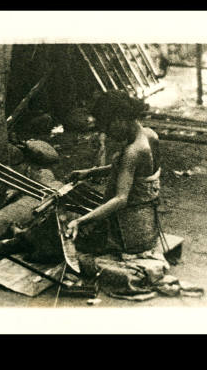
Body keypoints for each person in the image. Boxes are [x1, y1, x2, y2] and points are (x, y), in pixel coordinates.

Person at [65, 91, 162, 255]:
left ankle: (21, 238)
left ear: (119, 119)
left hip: (127, 236)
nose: (108, 134)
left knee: (62, 229)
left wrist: (80, 221)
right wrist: (89, 173)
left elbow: (120, 200)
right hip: (146, 228)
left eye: (107, 127)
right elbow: (130, 171)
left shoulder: (132, 152)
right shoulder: (150, 135)